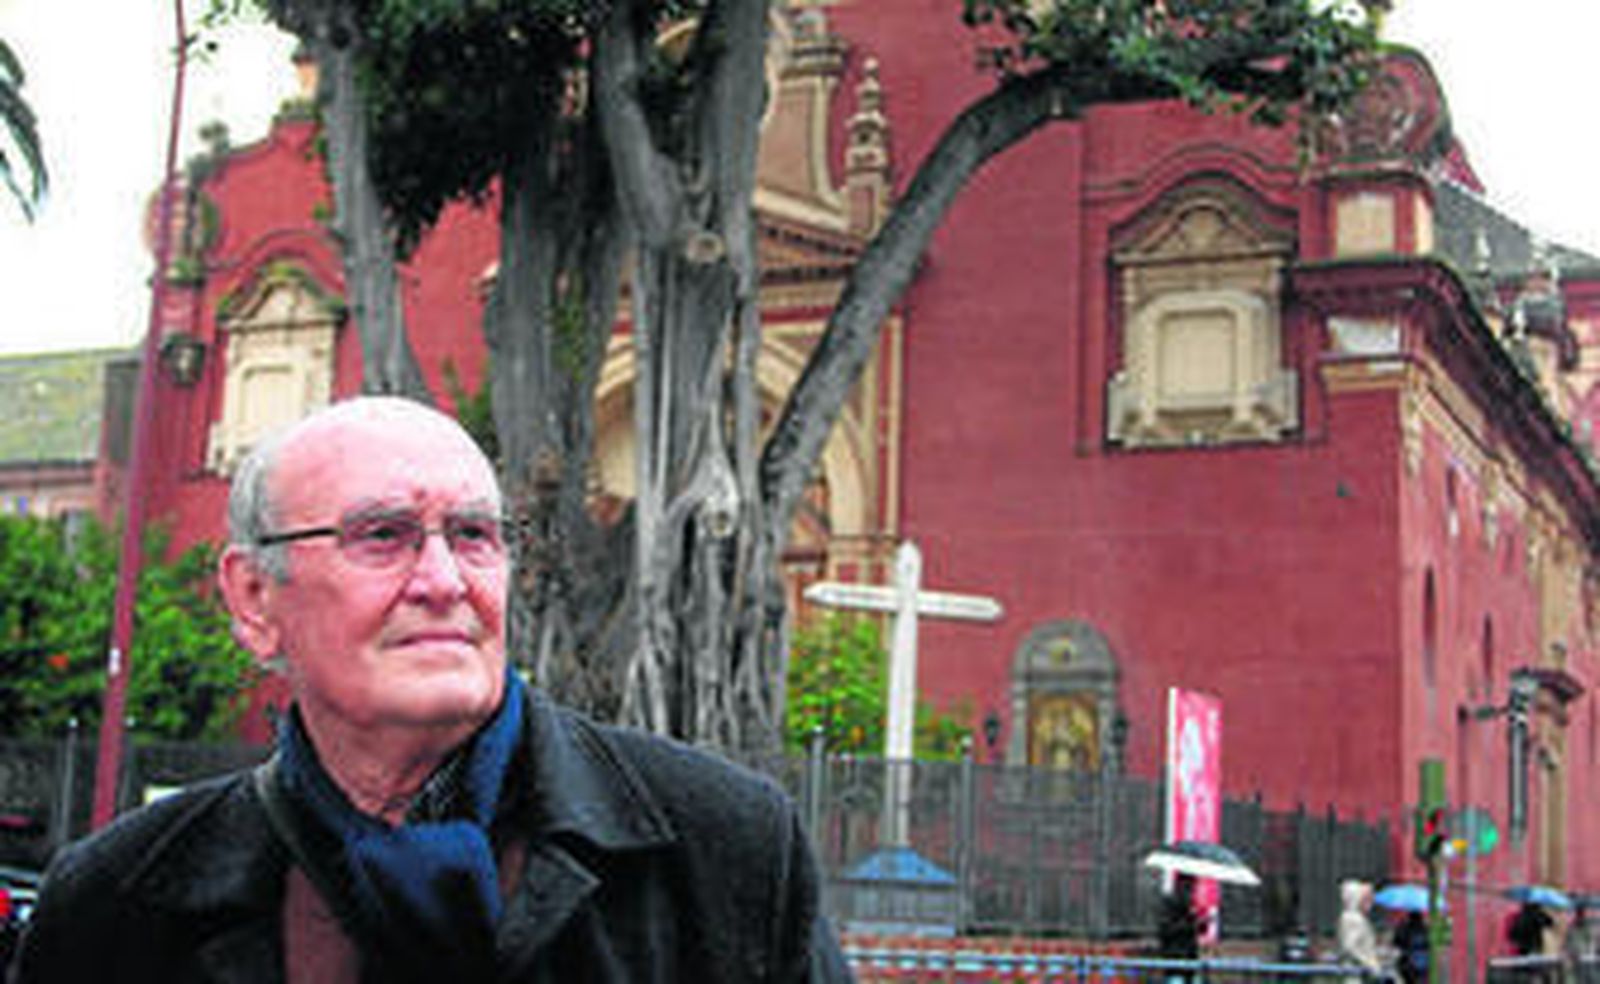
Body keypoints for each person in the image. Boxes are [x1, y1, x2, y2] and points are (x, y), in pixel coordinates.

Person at [11, 397, 851, 983]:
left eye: (474, 535)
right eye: (383, 536)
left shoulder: (727, 851)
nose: (445, 581)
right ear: (255, 598)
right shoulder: (114, 904)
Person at [1157, 872, 1202, 981]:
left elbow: (1192, 930)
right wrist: (1190, 923)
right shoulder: (1170, 902)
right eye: (1189, 886)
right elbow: (1166, 930)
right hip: (1175, 957)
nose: (1191, 891)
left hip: (1189, 959)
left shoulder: (1190, 904)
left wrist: (1199, 924)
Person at [1336, 880, 1382, 982]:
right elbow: (1349, 947)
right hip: (1355, 972)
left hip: (1360, 972)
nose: (1371, 902)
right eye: (1366, 899)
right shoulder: (1353, 918)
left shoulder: (1356, 918)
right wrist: (1370, 963)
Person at [1392, 910, 1429, 984]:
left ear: (1409, 916)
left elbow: (1396, 943)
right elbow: (1429, 945)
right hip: (1424, 961)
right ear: (1421, 917)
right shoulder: (1426, 929)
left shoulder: (1404, 927)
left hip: (1408, 960)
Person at [1565, 903, 1598, 984]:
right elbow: (1570, 947)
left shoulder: (1591, 928)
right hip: (1579, 966)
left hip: (1590, 966)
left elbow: (1593, 945)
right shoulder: (1572, 930)